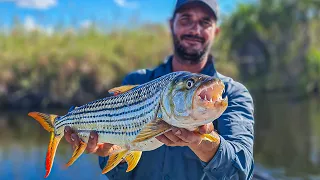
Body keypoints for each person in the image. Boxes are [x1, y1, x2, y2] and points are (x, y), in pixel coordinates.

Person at [64, 0, 255, 179]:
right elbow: (118, 176)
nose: (195, 30)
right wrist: (112, 153)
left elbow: (240, 172)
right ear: (172, 24)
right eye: (186, 19)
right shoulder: (137, 81)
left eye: (205, 22)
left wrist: (202, 142)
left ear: (216, 31)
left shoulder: (235, 94)